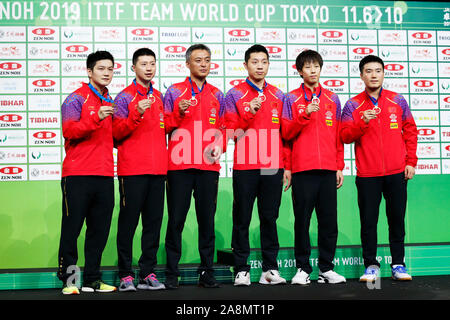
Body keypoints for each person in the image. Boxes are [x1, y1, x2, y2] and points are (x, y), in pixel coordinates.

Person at [340, 55, 418, 282]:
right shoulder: (353, 105)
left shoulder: (397, 101)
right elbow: (345, 136)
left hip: (396, 172)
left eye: (377, 71)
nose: (373, 75)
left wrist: (410, 161)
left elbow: (411, 131)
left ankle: (398, 264)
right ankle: (371, 266)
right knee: (369, 222)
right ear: (361, 75)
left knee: (396, 220)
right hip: (368, 174)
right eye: (368, 71)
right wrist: (362, 121)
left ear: (384, 73)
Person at [224, 44, 292, 286]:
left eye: (264, 61)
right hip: (245, 165)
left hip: (273, 166)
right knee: (241, 218)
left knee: (269, 218)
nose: (260, 66)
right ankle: (241, 269)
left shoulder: (278, 95)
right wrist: (248, 112)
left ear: (268, 65)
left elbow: (285, 135)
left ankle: (269, 270)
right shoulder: (234, 95)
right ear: (245, 65)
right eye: (255, 62)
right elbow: (232, 132)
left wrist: (287, 165)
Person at [163, 44, 226, 289]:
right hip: (178, 167)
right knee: (176, 221)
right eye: (198, 60)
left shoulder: (217, 94)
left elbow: (222, 127)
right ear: (187, 64)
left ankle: (206, 273)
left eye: (207, 60)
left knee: (207, 222)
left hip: (208, 168)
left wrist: (220, 145)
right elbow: (165, 126)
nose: (203, 64)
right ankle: (171, 274)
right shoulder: (174, 92)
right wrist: (177, 113)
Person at [281, 50, 346, 285]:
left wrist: (339, 165)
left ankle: (326, 268)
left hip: (328, 169)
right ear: (299, 71)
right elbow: (286, 134)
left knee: (329, 221)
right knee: (303, 220)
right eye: (307, 67)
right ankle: (303, 268)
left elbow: (338, 135)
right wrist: (304, 115)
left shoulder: (332, 98)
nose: (313, 70)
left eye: (316, 66)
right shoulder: (291, 99)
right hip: (302, 170)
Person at [57, 51, 117, 294]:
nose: (106, 73)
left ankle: (92, 279)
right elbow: (69, 131)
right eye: (101, 69)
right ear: (89, 71)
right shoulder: (75, 99)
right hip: (77, 175)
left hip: (104, 175)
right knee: (72, 230)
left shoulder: (109, 99)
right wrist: (95, 118)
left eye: (110, 69)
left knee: (99, 231)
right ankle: (70, 282)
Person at [113, 48, 167, 291]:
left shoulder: (161, 97)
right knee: (128, 223)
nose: (149, 67)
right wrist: (137, 112)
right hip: (132, 171)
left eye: (152, 63)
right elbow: (116, 134)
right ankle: (125, 274)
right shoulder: (124, 97)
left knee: (153, 224)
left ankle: (147, 272)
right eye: (143, 63)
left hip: (158, 171)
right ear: (133, 67)